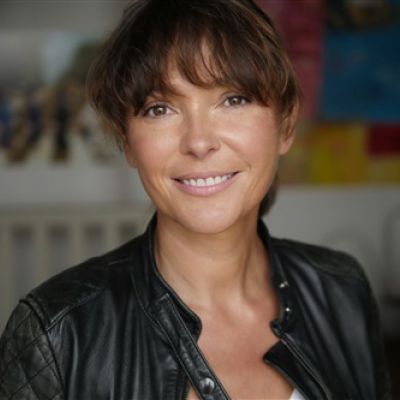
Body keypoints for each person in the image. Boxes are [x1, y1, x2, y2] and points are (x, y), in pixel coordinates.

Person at [0, 0, 391, 399]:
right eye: (160, 109)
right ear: (127, 142)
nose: (199, 142)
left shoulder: (342, 289)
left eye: (233, 99)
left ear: (286, 125)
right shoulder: (56, 334)